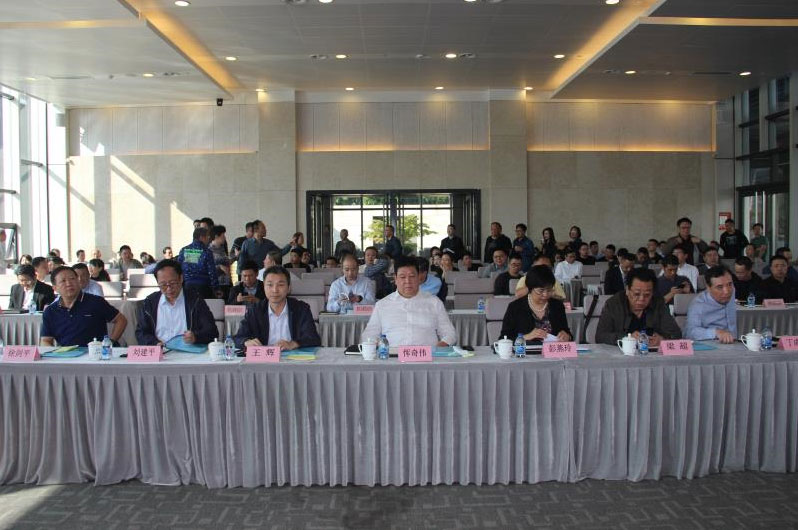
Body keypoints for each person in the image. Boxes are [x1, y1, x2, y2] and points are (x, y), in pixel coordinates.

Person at [361, 256, 456, 348]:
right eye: (402, 277)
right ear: (395, 279)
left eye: (412, 276)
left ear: (418, 278)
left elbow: (450, 334)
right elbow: (369, 335)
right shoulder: (382, 305)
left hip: (427, 356)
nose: (408, 281)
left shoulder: (434, 302)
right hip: (392, 357)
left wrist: (438, 348)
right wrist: (375, 346)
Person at [234, 265, 321, 350]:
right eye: (270, 285)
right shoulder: (255, 310)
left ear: (289, 288)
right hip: (264, 358)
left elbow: (313, 338)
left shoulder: (301, 309)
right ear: (264, 287)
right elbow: (238, 338)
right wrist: (246, 342)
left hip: (293, 357)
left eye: (280, 285)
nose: (275, 290)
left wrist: (293, 344)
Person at [135, 259, 218, 346]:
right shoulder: (150, 302)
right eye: (163, 285)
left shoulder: (195, 301)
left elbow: (212, 332)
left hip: (188, 351)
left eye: (173, 283)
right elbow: (141, 333)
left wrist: (196, 337)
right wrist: (154, 343)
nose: (169, 288)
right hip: (160, 351)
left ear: (181, 278)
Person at [40, 266, 127, 347]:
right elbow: (45, 340)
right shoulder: (50, 311)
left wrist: (110, 342)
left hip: (95, 353)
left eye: (72, 279)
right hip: (65, 355)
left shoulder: (96, 302)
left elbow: (121, 320)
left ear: (78, 281)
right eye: (63, 281)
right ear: (55, 288)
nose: (69, 283)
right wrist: (54, 354)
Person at [595, 267, 682, 346]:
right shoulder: (614, 304)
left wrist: (662, 340)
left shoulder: (658, 303)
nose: (641, 299)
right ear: (627, 290)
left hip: (651, 354)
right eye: (636, 294)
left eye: (647, 295)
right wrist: (626, 338)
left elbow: (676, 334)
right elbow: (600, 336)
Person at [499, 265, 572, 344]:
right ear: (530, 288)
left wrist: (567, 336)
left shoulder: (557, 306)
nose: (545, 294)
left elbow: (567, 332)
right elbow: (503, 339)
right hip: (525, 351)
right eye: (541, 291)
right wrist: (526, 337)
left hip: (552, 350)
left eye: (549, 290)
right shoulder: (515, 307)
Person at [684, 267, 737, 343]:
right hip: (711, 344)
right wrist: (716, 333)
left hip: (735, 341)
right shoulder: (698, 304)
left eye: (729, 284)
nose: (726, 291)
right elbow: (690, 333)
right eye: (720, 287)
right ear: (708, 288)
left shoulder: (732, 291)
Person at [177, 227, 219, 299]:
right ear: (201, 237)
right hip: (204, 287)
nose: (209, 239)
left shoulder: (184, 250)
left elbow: (178, 268)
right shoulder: (206, 252)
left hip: (187, 286)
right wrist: (216, 288)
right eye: (207, 236)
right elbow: (212, 272)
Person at [209, 225, 232, 299]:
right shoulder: (209, 250)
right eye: (223, 235)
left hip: (226, 281)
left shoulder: (222, 249)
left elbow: (227, 262)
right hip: (216, 283)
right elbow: (207, 268)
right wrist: (220, 267)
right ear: (216, 236)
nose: (225, 238)